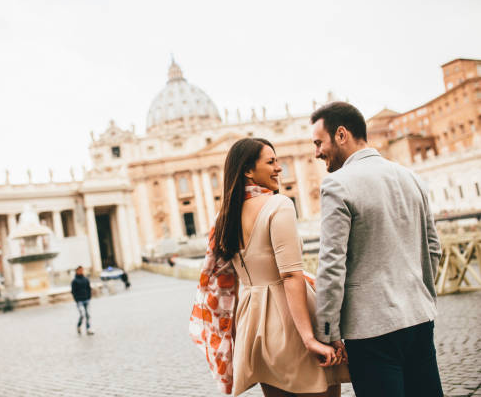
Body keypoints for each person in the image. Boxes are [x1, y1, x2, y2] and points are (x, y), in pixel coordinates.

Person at [190, 138, 349, 396]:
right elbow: (290, 275)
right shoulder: (279, 204)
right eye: (271, 162)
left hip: (252, 324)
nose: (279, 168)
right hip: (292, 320)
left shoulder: (223, 218)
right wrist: (310, 337)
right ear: (248, 171)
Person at [311, 101, 443, 397]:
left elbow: (332, 265)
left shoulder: (337, 184)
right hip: (419, 318)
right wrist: (420, 295)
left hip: (371, 330)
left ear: (341, 134)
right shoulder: (411, 177)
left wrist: (328, 333)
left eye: (319, 143)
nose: (317, 152)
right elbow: (433, 247)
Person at [71, 266, 93, 335]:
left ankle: (88, 329)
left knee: (87, 315)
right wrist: (76, 299)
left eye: (82, 270)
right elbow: (73, 291)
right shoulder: (74, 281)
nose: (81, 271)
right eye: (79, 270)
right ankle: (79, 326)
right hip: (79, 301)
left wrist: (89, 297)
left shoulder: (86, 279)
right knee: (82, 315)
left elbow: (89, 288)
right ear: (77, 271)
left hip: (86, 299)